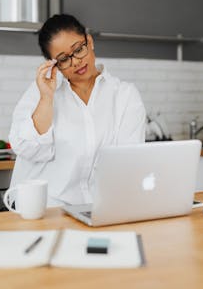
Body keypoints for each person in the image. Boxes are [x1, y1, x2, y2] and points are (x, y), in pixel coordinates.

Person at [9, 14, 146, 206]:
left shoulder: (125, 96)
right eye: (63, 59)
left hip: (94, 210)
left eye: (79, 49)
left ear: (89, 41)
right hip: (42, 209)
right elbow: (26, 148)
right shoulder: (40, 92)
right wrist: (47, 99)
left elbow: (128, 164)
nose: (76, 62)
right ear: (52, 63)